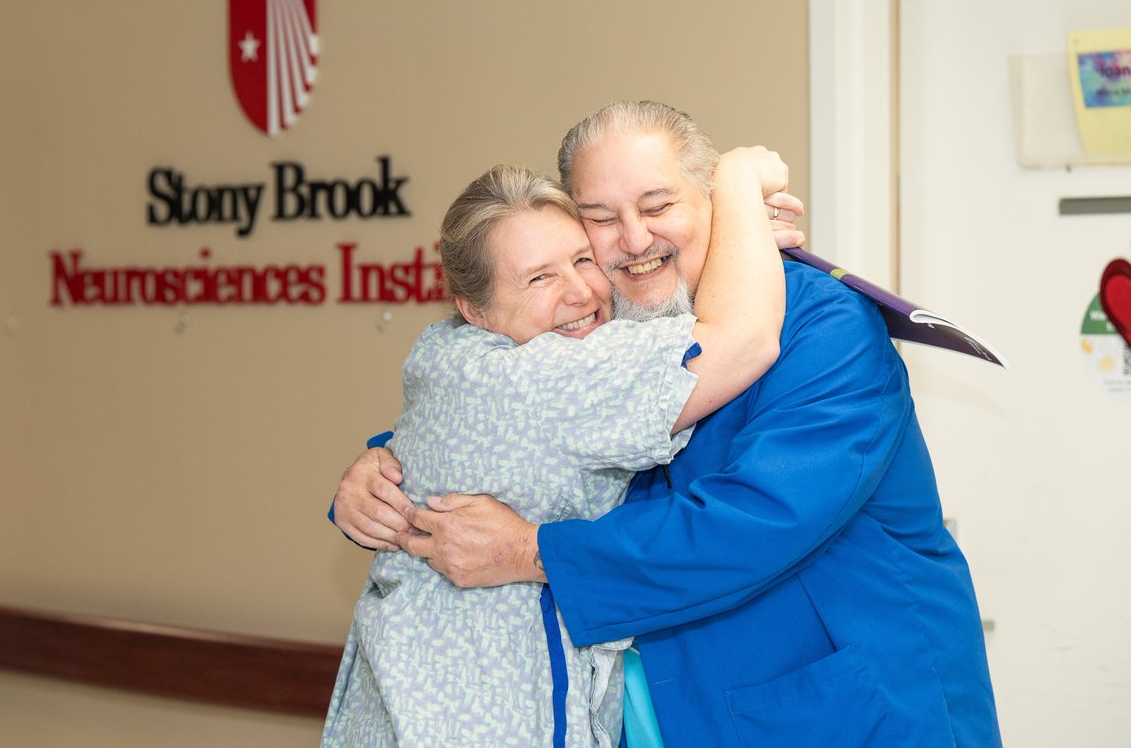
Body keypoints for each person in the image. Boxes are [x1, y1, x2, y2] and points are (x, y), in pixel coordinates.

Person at [332, 100, 1002, 746]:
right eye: (600, 217)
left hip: (844, 710)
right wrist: (385, 468)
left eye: (658, 206)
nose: (633, 238)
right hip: (664, 708)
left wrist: (528, 551)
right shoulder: (603, 324)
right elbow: (499, 411)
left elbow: (750, 523)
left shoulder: (824, 325)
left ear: (712, 202)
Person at [323, 152, 800, 747]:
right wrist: (736, 189)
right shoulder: (547, 378)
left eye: (581, 260)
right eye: (539, 277)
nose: (580, 292)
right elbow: (744, 338)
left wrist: (722, 236)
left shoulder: (447, 352)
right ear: (474, 310)